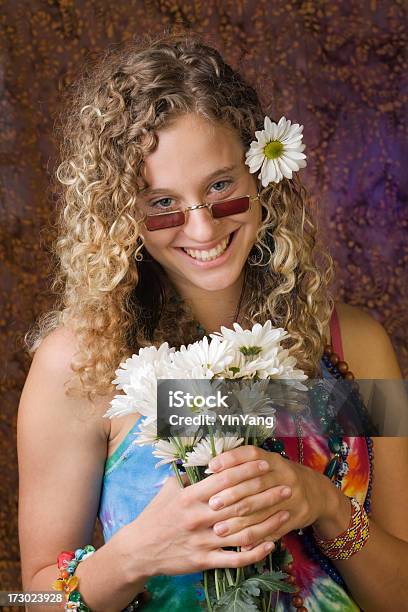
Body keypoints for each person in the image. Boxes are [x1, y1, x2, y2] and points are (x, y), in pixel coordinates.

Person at [17, 31, 408, 612]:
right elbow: (31, 600)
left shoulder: (356, 346)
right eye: (161, 203)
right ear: (121, 214)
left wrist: (326, 506)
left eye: (221, 187)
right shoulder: (79, 365)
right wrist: (136, 555)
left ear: (261, 177)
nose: (202, 230)